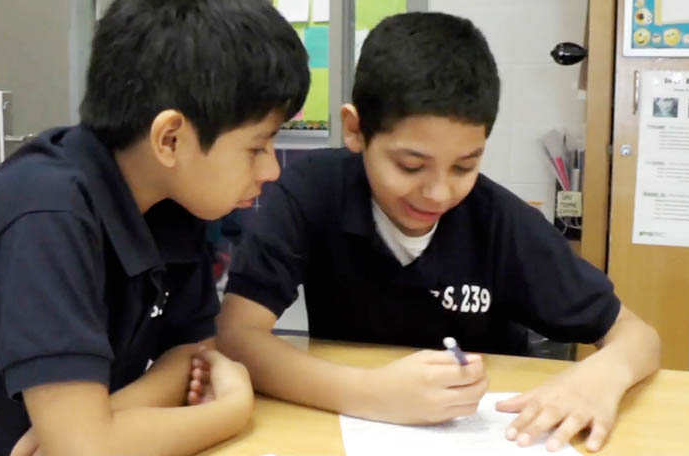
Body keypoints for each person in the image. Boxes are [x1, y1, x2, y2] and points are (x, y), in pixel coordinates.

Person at [215, 12, 660, 453]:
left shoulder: (498, 220)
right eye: (410, 166)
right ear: (355, 130)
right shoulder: (310, 193)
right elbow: (237, 335)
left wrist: (600, 378)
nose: (438, 192)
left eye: (465, 166)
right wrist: (370, 394)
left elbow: (637, 335)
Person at [0, 0, 309, 455]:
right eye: (257, 146)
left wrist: (103, 420)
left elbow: (194, 353)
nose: (272, 170)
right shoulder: (46, 216)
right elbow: (88, 451)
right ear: (170, 139)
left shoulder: (170, 202)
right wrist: (229, 411)